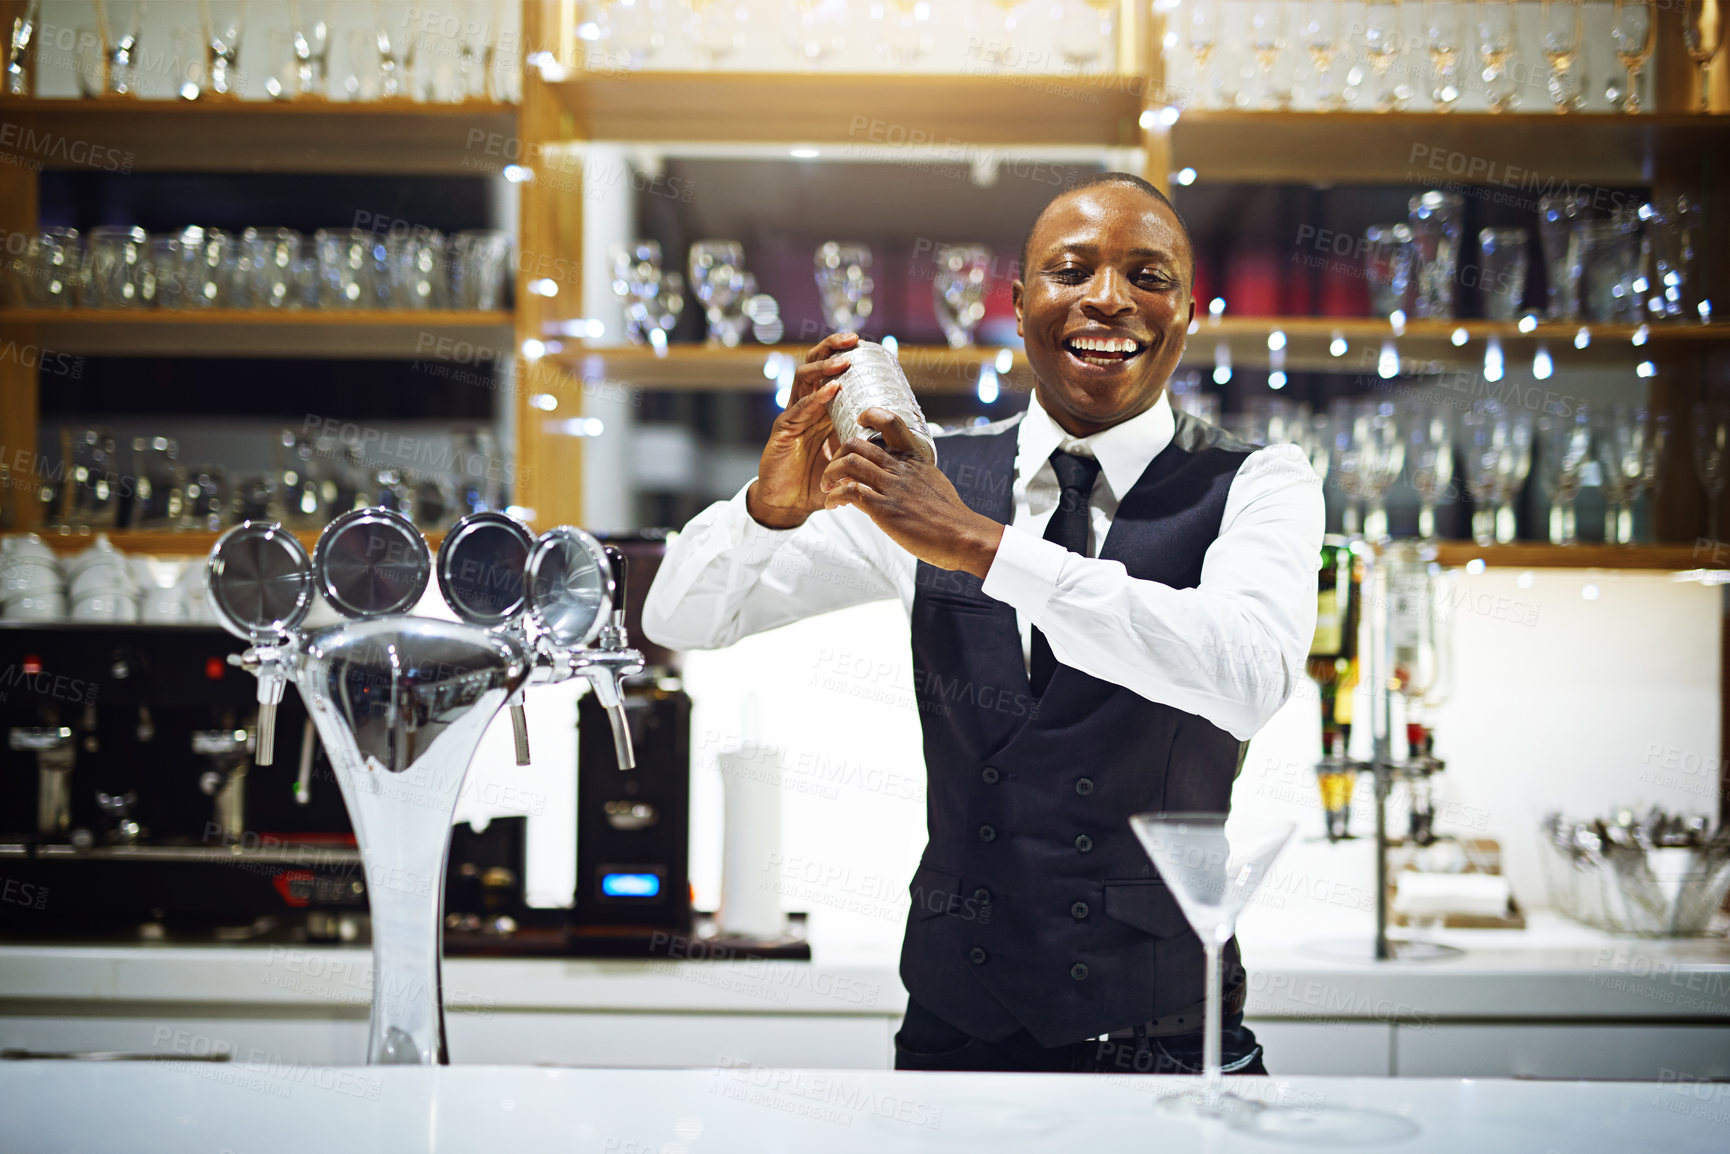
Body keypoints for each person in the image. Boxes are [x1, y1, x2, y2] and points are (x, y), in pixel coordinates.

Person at [642, 172, 1324, 1074]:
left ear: (1188, 312)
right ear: (1019, 301)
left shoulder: (1260, 484)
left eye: (1148, 277)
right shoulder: (925, 478)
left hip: (1165, 1038)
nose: (1108, 299)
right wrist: (765, 511)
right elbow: (684, 616)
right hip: (956, 1029)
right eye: (1071, 270)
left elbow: (1245, 672)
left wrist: (983, 546)